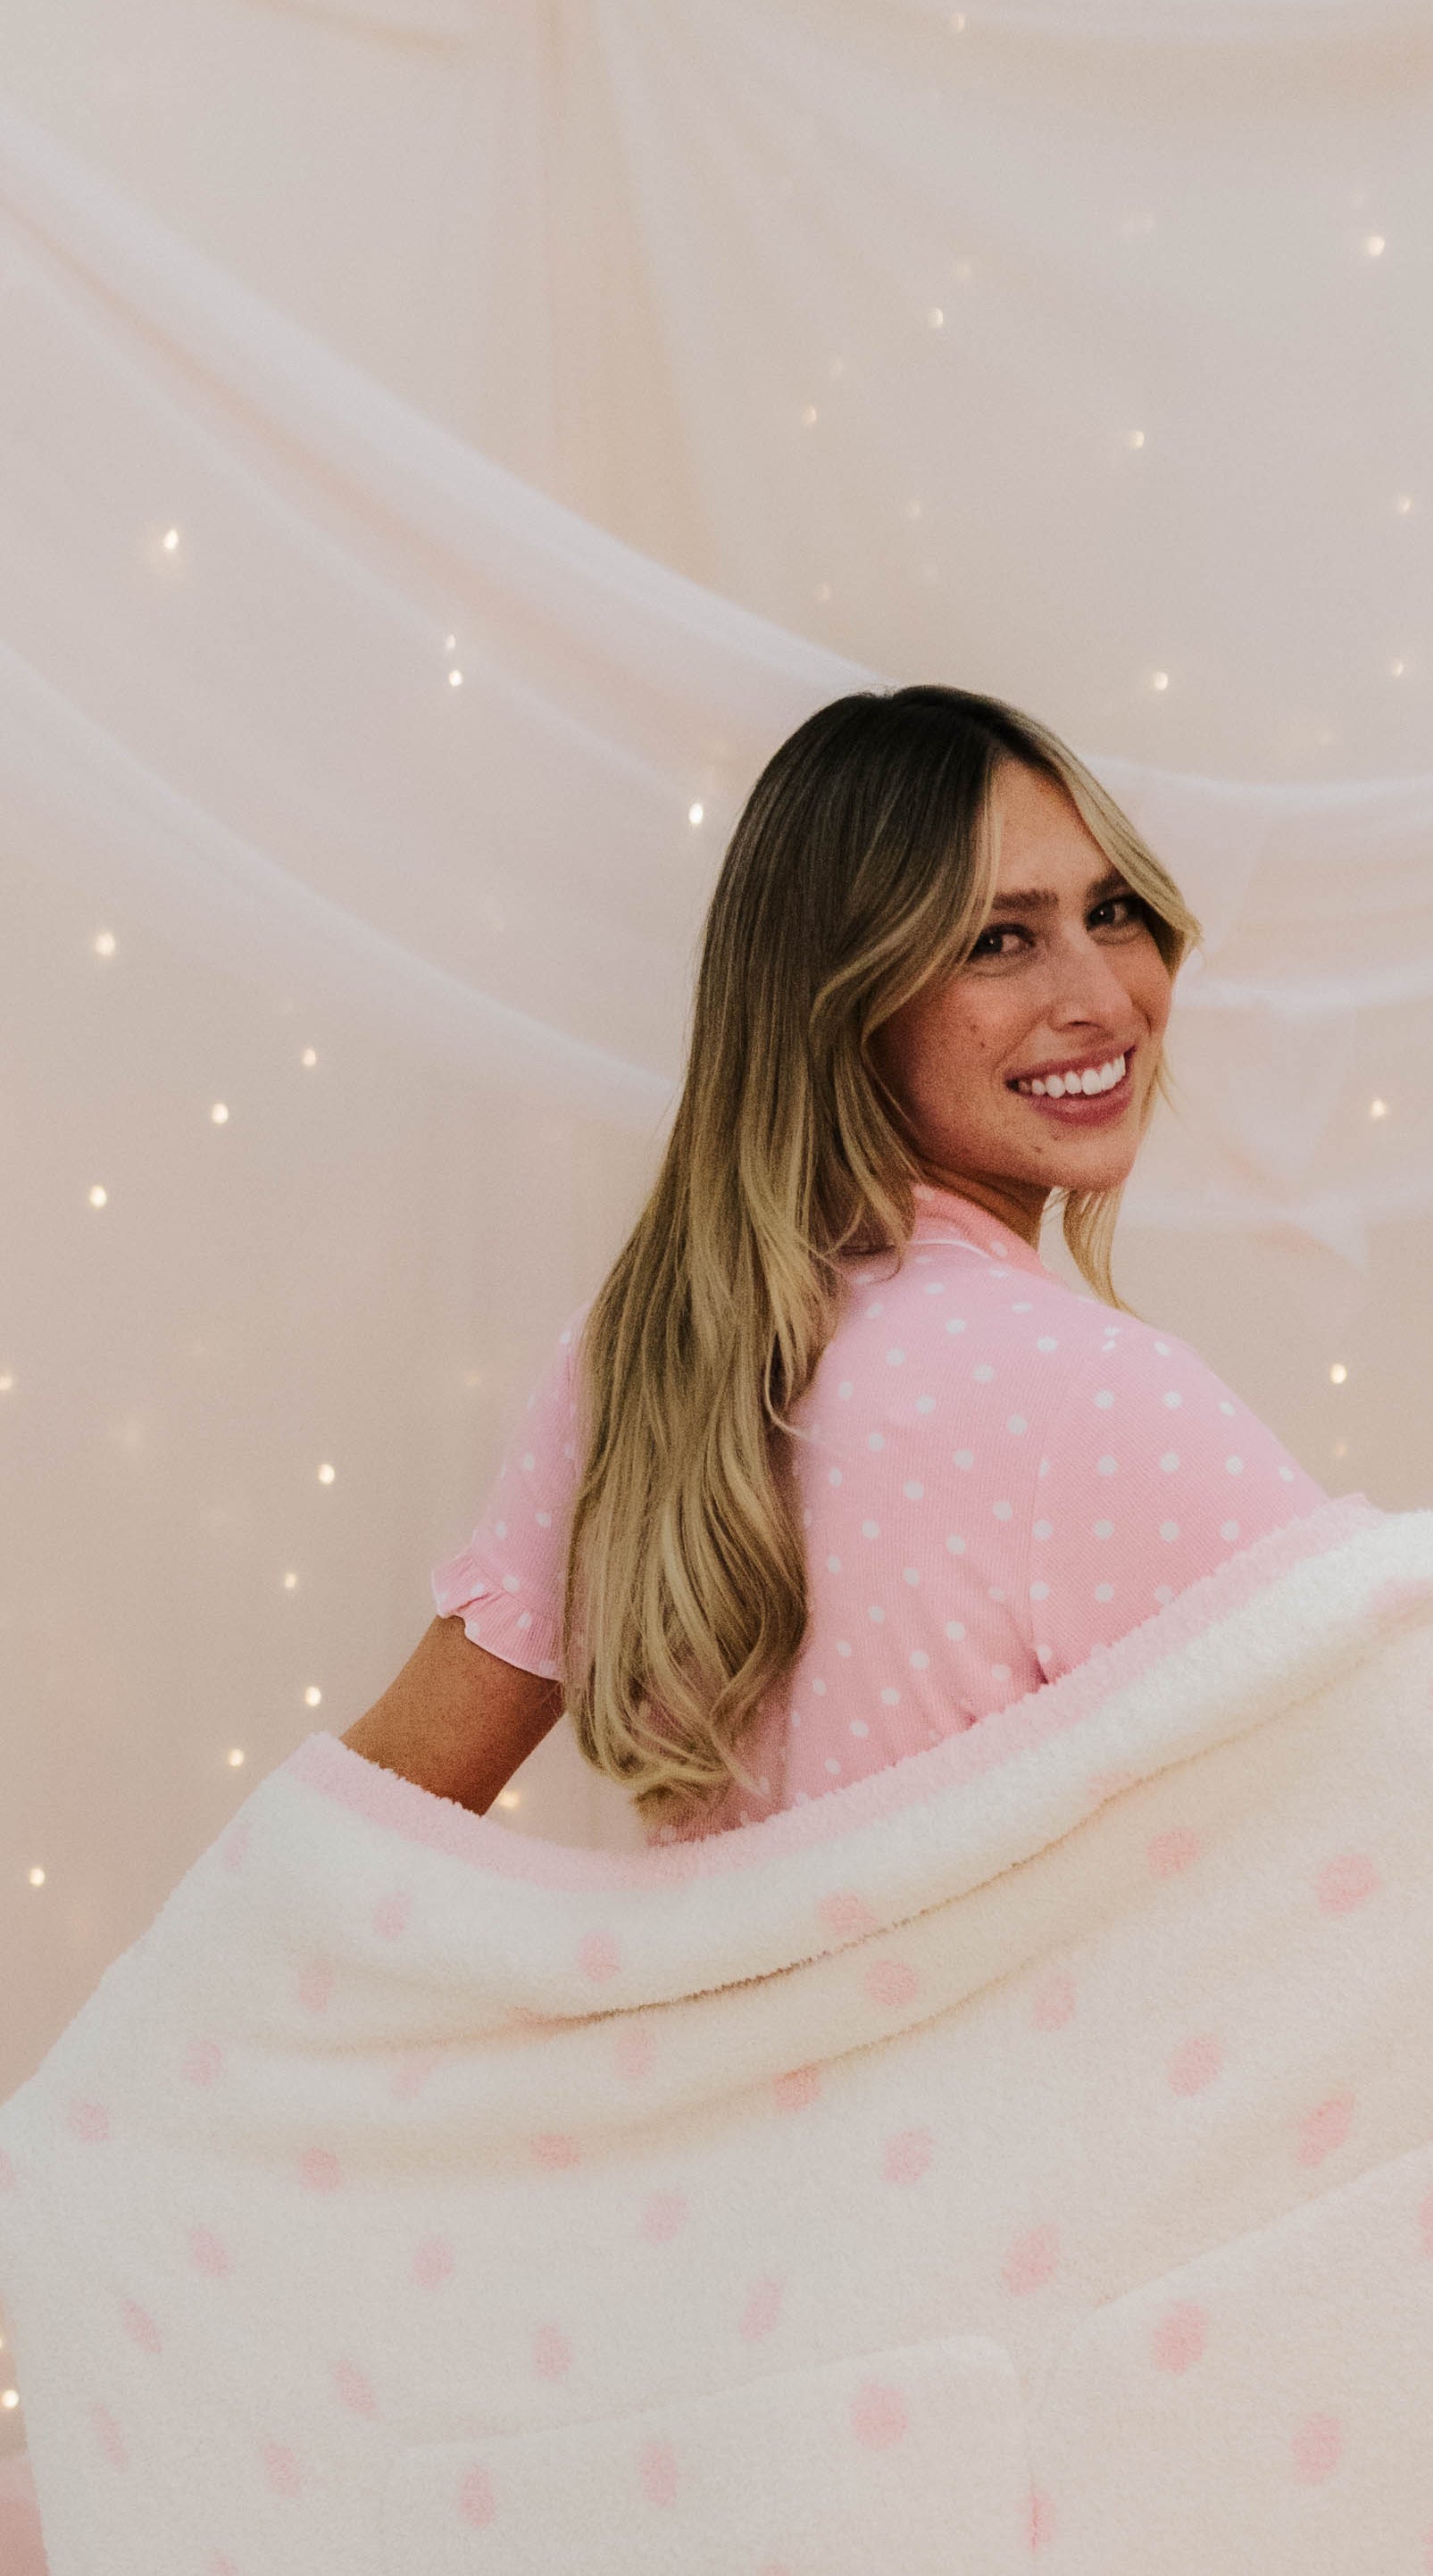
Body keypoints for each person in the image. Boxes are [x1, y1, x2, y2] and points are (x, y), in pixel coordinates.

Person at [340, 683, 1357, 1833]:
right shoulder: (1089, 1393)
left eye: (1115, 912)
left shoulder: (648, 1346)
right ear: (846, 1004)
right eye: (1000, 940)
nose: (1104, 995)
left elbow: (355, 1831)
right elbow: (1432, 1772)